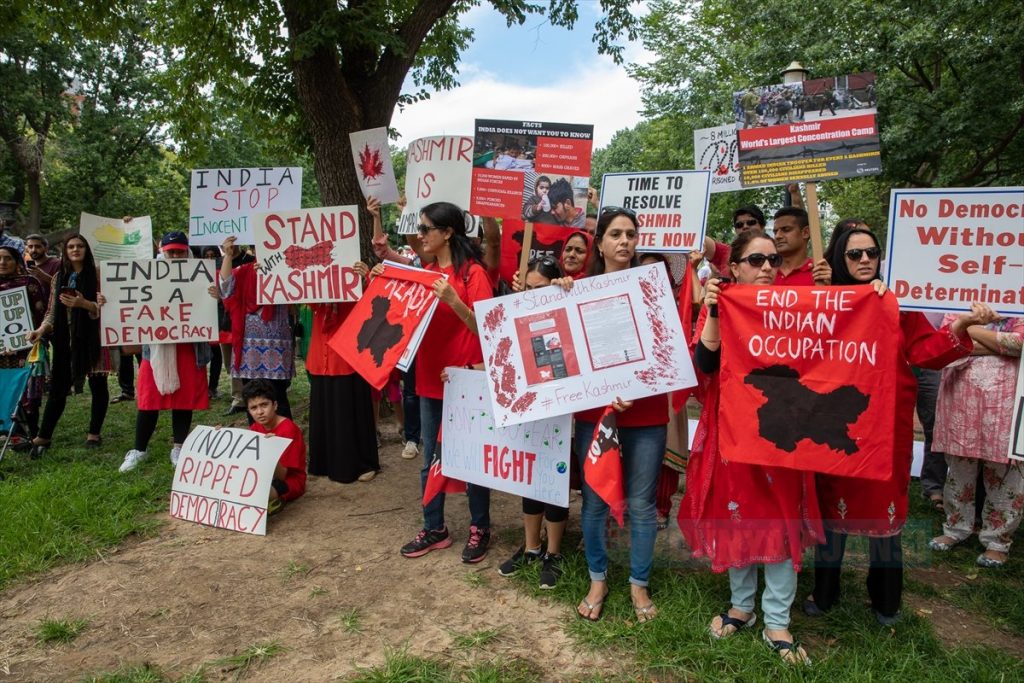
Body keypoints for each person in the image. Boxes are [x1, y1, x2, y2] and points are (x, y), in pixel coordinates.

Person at [807, 228, 995, 625]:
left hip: (885, 428)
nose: (863, 260)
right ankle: (824, 593)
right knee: (831, 508)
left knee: (884, 511)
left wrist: (960, 325)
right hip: (833, 424)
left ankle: (885, 601)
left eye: (871, 252)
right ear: (839, 257)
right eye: (854, 253)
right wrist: (819, 295)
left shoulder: (895, 303)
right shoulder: (821, 300)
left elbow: (926, 351)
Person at [680, 231, 822, 665]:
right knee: (737, 514)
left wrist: (865, 294)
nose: (766, 268)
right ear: (735, 267)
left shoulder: (798, 307)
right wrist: (715, 312)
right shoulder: (720, 306)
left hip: (783, 435)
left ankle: (777, 620)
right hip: (732, 434)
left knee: (781, 523)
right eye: (755, 260)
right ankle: (742, 605)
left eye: (772, 260)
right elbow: (704, 365)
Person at [569, 207, 667, 625]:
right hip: (595, 412)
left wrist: (638, 386)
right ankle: (597, 579)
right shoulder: (575, 289)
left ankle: (638, 583)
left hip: (646, 413)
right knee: (593, 502)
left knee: (643, 504)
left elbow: (667, 350)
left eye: (631, 234)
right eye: (615, 234)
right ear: (601, 243)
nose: (625, 241)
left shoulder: (654, 289)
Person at [398, 201, 494, 563]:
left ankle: (479, 527)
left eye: (425, 229)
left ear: (448, 232)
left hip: (466, 380)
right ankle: (434, 527)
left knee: (471, 460)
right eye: (420, 229)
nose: (420, 236)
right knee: (430, 460)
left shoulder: (474, 274)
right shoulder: (424, 271)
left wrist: (455, 301)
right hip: (428, 378)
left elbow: (488, 331)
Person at [498, 256, 570, 588]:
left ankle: (554, 552)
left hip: (563, 406)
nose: (531, 294)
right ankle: (531, 547)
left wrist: (565, 292)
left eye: (539, 288)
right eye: (527, 288)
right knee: (530, 476)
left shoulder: (567, 309)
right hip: (530, 407)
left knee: (554, 477)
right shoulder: (516, 314)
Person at [928, 314, 1023, 568]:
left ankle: (997, 541)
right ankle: (955, 528)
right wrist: (996, 342)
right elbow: (947, 342)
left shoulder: (1017, 298)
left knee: (1005, 471)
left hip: (1007, 399)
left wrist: (969, 328)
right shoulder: (961, 293)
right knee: (958, 467)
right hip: (961, 398)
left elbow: (1019, 344)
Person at [118, 232, 214, 472]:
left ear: (187, 250)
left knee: (184, 399)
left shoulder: (200, 275)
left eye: (180, 251)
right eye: (171, 251)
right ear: (162, 251)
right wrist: (106, 300)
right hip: (157, 350)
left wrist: (215, 296)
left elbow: (211, 304)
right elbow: (128, 301)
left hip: (189, 348)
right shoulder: (146, 275)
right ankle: (139, 449)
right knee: (149, 400)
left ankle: (179, 447)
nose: (176, 255)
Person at [304, 233, 379, 485]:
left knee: (351, 412)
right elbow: (292, 296)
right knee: (325, 412)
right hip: (320, 356)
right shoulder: (311, 280)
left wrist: (365, 279)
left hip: (347, 356)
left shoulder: (355, 277)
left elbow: (373, 304)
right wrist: (271, 274)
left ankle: (361, 463)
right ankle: (323, 462)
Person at [27, 235, 111, 457]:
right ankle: (44, 435)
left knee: (98, 384)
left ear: (87, 249)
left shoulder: (100, 275)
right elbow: (52, 312)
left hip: (95, 338)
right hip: (65, 341)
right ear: (65, 251)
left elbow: (109, 309)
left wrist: (83, 304)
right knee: (58, 387)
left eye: (80, 246)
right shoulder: (59, 277)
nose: (75, 250)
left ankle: (94, 433)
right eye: (71, 246)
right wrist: (41, 330)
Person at [219, 235, 294, 420]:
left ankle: (286, 442)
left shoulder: (287, 271)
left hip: (276, 350)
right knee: (253, 400)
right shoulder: (243, 271)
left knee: (278, 398)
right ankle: (258, 441)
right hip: (249, 352)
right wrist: (228, 256)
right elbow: (225, 289)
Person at [0, 243, 48, 445]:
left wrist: (33, 338)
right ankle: (11, 432)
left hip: (27, 348)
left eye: (7, 258)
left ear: (17, 261)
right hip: (2, 350)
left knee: (28, 393)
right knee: (4, 390)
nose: (2, 262)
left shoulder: (29, 282)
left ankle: (31, 434)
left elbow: (42, 314)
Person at [244, 379, 307, 512]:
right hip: (263, 476)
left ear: (275, 405)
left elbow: (281, 476)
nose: (260, 412)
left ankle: (273, 501)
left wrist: (270, 451)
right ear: (248, 411)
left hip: (289, 481)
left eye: (264, 405)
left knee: (258, 492)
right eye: (254, 408)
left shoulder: (288, 429)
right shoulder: (256, 427)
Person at [770, 207, 831, 285]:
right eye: (775, 232)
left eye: (786, 229)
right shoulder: (766, 270)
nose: (777, 236)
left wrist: (828, 288)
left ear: (806, 233)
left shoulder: (820, 272)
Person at [24, 234, 61, 305]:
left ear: (46, 248)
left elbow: (62, 286)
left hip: (52, 308)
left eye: (38, 246)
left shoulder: (57, 264)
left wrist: (41, 275)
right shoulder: (26, 266)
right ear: (26, 249)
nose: (33, 250)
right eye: (30, 247)